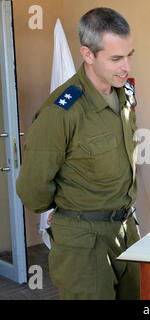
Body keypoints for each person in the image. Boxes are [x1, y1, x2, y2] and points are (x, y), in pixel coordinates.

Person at [16, 7, 140, 300]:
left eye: (129, 55)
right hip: (84, 242)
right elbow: (32, 188)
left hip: (126, 232)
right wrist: (70, 211)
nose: (126, 67)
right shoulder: (61, 111)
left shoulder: (123, 96)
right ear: (87, 55)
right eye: (115, 58)